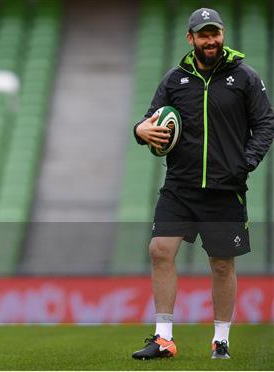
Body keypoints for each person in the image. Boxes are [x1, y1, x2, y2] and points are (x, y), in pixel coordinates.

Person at [131, 8, 274, 360]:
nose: (210, 40)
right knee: (159, 250)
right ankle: (164, 338)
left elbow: (266, 123)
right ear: (190, 39)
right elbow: (149, 120)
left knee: (222, 264)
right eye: (203, 34)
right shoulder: (174, 80)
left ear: (222, 35)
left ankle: (220, 339)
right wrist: (140, 131)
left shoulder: (244, 77)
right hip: (179, 185)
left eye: (216, 33)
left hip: (226, 189)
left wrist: (246, 163)